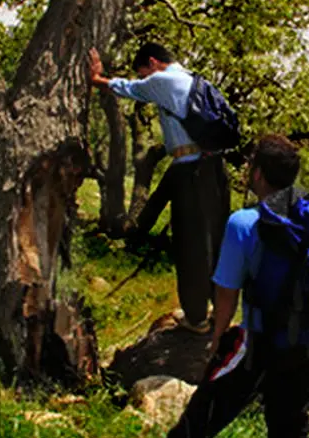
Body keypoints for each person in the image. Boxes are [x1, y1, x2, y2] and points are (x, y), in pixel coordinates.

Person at [130, 134, 309, 438]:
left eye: (252, 167)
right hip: (305, 341)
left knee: (203, 414)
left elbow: (227, 292)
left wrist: (217, 338)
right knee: (289, 421)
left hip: (257, 339)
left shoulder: (244, 223)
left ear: (259, 174)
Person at [87, 42, 231, 334]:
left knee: (190, 245)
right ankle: (221, 311)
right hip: (216, 169)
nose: (145, 78)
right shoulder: (195, 79)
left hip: (191, 172)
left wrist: (97, 78)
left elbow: (128, 88)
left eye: (144, 71)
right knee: (216, 241)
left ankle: (196, 318)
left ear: (152, 63)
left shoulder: (162, 80)